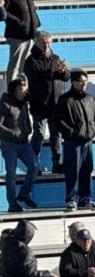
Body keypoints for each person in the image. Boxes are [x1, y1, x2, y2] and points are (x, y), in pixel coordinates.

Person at [54, 69, 95, 211]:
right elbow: (57, 120)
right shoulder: (65, 99)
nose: (84, 84)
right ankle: (71, 199)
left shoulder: (89, 98)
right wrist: (72, 133)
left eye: (85, 82)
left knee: (87, 170)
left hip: (88, 141)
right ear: (73, 82)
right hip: (72, 142)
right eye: (81, 82)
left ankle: (86, 198)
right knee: (72, 171)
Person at [23, 30, 67, 172]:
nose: (46, 45)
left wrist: (62, 71)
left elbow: (65, 77)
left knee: (56, 135)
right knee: (39, 135)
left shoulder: (55, 57)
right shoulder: (30, 60)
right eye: (43, 43)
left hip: (55, 103)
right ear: (36, 43)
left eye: (48, 42)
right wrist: (52, 71)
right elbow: (36, 77)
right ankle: (34, 164)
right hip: (40, 104)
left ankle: (57, 163)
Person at [0, 78, 37, 212]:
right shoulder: (5, 104)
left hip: (23, 142)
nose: (24, 91)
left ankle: (24, 193)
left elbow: (27, 118)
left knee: (34, 166)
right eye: (22, 89)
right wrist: (12, 133)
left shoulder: (24, 103)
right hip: (9, 144)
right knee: (11, 173)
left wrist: (29, 129)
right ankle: (12, 202)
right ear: (15, 91)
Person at [1, 0, 38, 82]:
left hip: (29, 33)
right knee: (15, 64)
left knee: (25, 65)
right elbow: (3, 13)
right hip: (16, 34)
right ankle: (11, 89)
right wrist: (19, 22)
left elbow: (31, 9)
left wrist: (36, 23)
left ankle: (23, 90)